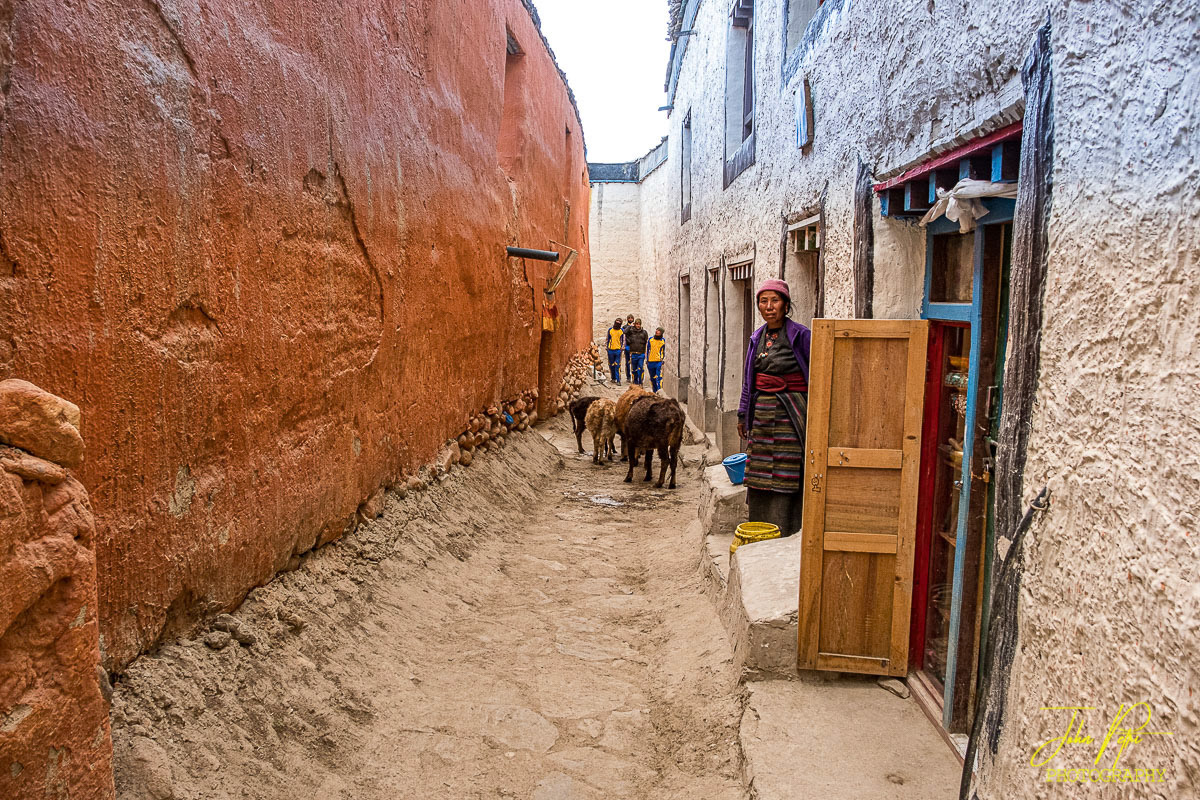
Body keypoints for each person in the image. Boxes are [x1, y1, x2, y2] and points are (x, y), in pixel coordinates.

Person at [737, 279, 812, 538]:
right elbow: (749, 379)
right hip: (762, 413)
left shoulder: (801, 336)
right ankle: (760, 526)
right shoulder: (757, 337)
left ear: (786, 305)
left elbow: (815, 374)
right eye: (763, 301)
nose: (769, 306)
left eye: (775, 300)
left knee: (785, 471)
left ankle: (787, 529)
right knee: (758, 472)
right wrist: (743, 412)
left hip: (790, 413)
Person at [626, 318, 649, 386]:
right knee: (634, 369)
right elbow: (624, 332)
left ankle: (640, 382)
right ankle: (635, 382)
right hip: (633, 353)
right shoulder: (631, 331)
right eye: (636, 324)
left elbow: (646, 342)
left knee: (640, 368)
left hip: (641, 354)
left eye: (639, 324)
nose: (638, 325)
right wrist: (630, 326)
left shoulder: (644, 332)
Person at [647, 327, 667, 392]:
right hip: (650, 361)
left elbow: (664, 351)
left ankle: (659, 391)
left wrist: (663, 359)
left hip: (658, 361)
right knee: (652, 378)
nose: (657, 331)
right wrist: (647, 360)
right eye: (657, 330)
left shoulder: (663, 341)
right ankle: (654, 391)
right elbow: (647, 350)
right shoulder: (650, 340)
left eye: (659, 331)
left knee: (658, 377)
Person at [605, 318, 625, 384]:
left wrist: (622, 348)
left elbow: (623, 340)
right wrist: (607, 347)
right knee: (611, 365)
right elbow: (607, 339)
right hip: (610, 350)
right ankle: (613, 378)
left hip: (618, 350)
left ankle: (618, 380)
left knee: (617, 365)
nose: (617, 324)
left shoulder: (622, 331)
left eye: (619, 323)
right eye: (616, 322)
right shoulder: (610, 330)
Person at [622, 314, 635, 381]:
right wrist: (630, 326)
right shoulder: (625, 327)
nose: (630, 319)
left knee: (634, 362)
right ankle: (628, 376)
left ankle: (634, 376)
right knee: (627, 362)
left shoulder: (636, 326)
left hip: (634, 346)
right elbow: (624, 332)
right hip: (627, 346)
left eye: (631, 318)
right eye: (629, 318)